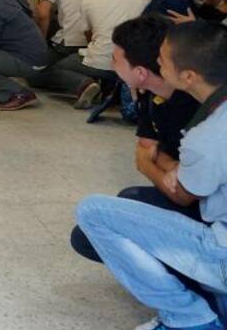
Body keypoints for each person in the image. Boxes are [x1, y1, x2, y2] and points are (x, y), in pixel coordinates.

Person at [74, 21, 227, 330]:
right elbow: (147, 157)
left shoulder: (208, 132)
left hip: (220, 249)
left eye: (164, 59)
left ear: (188, 76)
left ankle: (190, 320)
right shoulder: (168, 101)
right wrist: (170, 168)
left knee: (93, 213)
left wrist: (174, 168)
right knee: (129, 200)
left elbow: (183, 192)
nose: (159, 64)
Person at [69, 15, 201, 263]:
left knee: (119, 211)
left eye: (116, 59)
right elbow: (143, 150)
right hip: (186, 192)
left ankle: (194, 277)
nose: (112, 64)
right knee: (93, 230)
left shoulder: (197, 106)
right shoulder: (150, 94)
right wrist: (169, 166)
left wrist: (154, 162)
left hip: (211, 215)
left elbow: (183, 193)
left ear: (141, 72)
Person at [54, 0, 153, 92]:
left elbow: (89, 36)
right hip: (133, 65)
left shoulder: (89, 2)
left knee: (56, 68)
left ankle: (84, 84)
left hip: (101, 63)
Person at [36, 0, 100, 104]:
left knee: (33, 71)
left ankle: (81, 83)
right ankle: (83, 78)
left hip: (69, 40)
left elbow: (43, 13)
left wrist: (40, 41)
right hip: (89, 39)